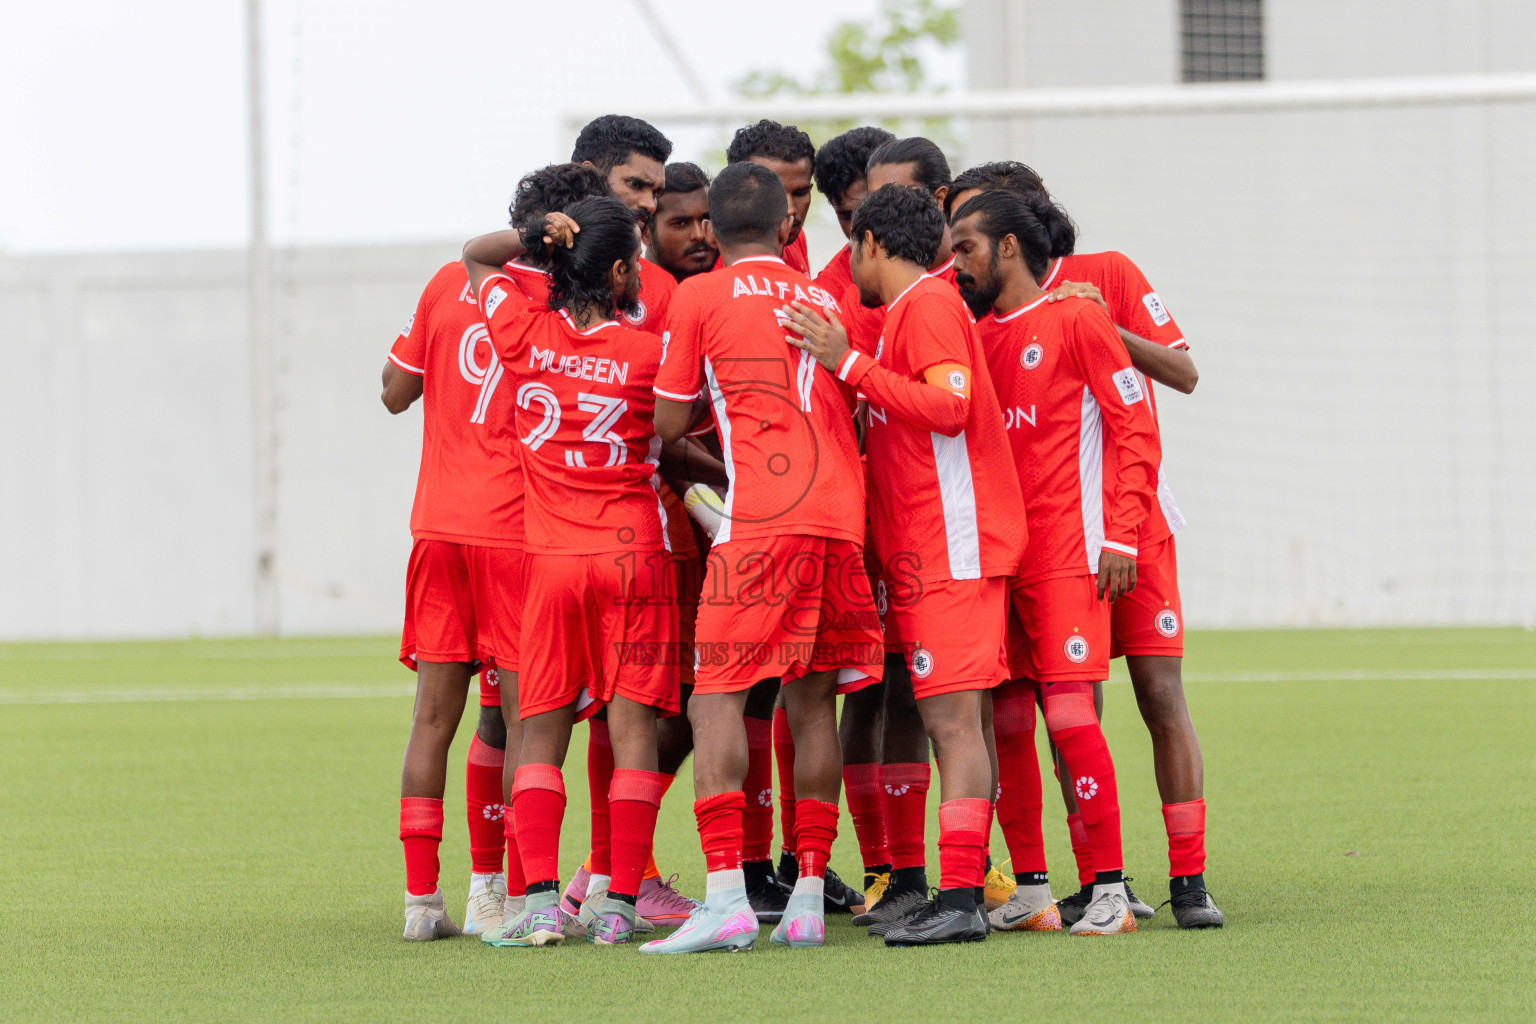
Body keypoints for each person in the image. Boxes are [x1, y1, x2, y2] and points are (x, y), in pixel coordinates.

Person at [947, 162, 1223, 928]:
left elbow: (1172, 387)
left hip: (1115, 536)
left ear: (1011, 230)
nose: (954, 253)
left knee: (1150, 698)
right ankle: (1081, 880)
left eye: (965, 233)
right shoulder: (975, 326)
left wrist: (1120, 530)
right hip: (1022, 556)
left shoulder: (1099, 284)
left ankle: (1183, 882)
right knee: (1037, 712)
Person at [640, 162, 882, 953]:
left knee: (717, 697)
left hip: (764, 522)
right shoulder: (822, 297)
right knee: (812, 702)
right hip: (841, 518)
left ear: (709, 227)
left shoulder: (697, 296)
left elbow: (670, 422)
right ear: (787, 227)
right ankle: (808, 894)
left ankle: (725, 898)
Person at [782, 183, 1025, 946]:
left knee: (951, 722)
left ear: (874, 244)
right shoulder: (910, 311)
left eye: (853, 240)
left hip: (953, 547)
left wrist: (845, 361)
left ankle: (959, 898)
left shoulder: (925, 306)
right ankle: (955, 890)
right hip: (931, 553)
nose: (847, 255)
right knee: (954, 721)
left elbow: (949, 407)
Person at [463, 195, 679, 947]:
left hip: (551, 560)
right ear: (620, 272)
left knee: (541, 730)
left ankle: (542, 904)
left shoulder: (520, 332)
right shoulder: (651, 353)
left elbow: (478, 256)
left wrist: (533, 240)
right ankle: (619, 903)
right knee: (633, 731)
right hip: (633, 556)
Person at [381, 255, 525, 942]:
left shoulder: (445, 280)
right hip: (518, 534)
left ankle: (419, 902)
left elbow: (392, 390)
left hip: (439, 528)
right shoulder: (555, 290)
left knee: (432, 720)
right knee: (522, 721)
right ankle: (512, 895)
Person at [811, 125, 895, 300]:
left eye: (869, 209)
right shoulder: (828, 292)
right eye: (846, 216)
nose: (859, 227)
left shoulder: (958, 261)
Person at [725, 119, 817, 275]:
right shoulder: (709, 264)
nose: (790, 210)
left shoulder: (795, 238)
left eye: (800, 193)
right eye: (774, 193)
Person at [644, 162, 717, 282]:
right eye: (681, 223)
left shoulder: (742, 284)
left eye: (707, 219)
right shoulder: (625, 295)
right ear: (646, 232)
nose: (699, 235)